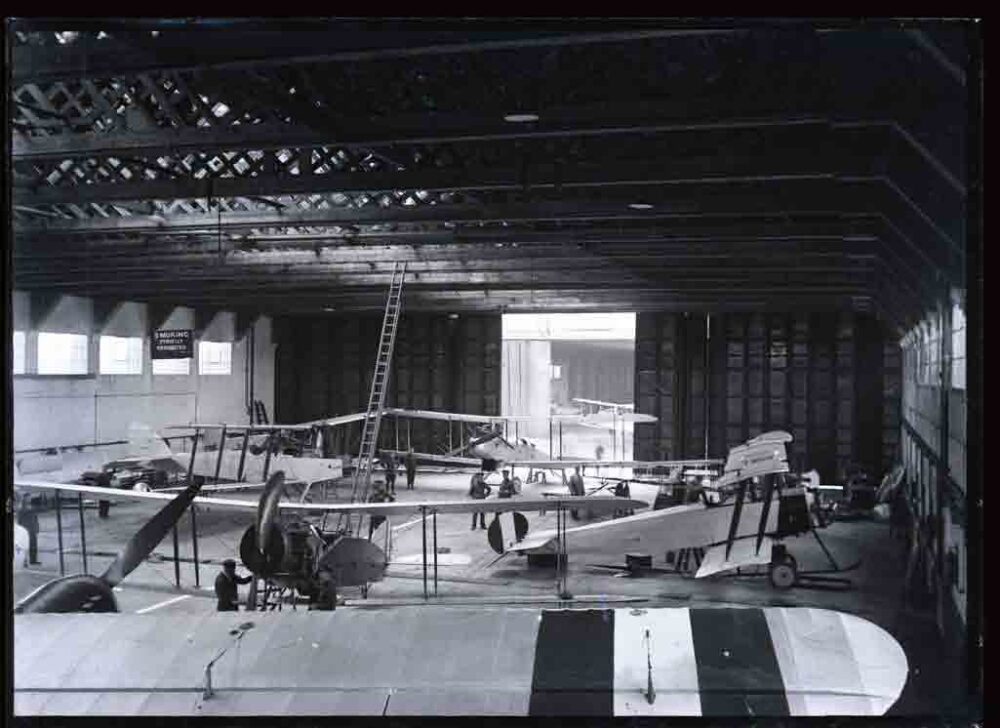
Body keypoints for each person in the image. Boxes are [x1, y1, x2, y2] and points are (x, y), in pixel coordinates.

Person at [16, 495, 40, 565]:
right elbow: (19, 520)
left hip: (32, 529)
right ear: (24, 499)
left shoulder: (31, 507)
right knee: (25, 546)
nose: (29, 499)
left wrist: (37, 527)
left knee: (33, 545)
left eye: (29, 498)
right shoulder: (22, 508)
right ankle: (24, 560)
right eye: (27, 498)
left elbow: (35, 519)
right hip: (26, 529)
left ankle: (33, 560)